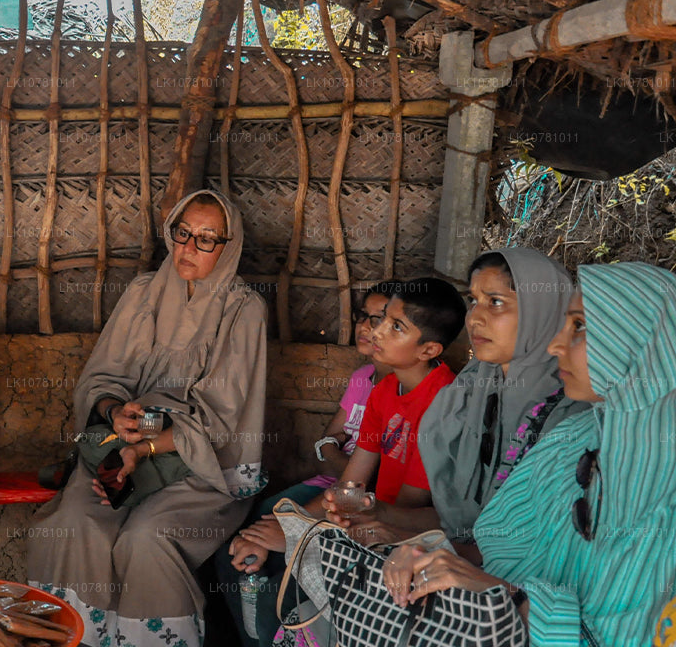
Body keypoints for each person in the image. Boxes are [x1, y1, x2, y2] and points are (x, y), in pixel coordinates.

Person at [383, 262, 676, 647]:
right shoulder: (574, 439)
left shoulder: (662, 486)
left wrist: (507, 595)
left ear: (639, 341)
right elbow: (493, 549)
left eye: (580, 327)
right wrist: (425, 554)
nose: (556, 345)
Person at [27, 189, 268, 647]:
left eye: (206, 239)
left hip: (199, 466)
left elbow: (222, 419)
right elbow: (100, 378)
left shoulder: (243, 310)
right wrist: (115, 413)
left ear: (228, 245)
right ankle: (73, 640)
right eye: (182, 233)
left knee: (147, 537)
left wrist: (146, 443)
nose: (188, 248)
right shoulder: (143, 291)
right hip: (124, 447)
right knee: (75, 523)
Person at [233, 277, 466, 597]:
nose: (378, 330)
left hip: (410, 542)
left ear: (428, 349)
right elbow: (350, 485)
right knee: (254, 556)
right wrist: (296, 524)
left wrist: (302, 535)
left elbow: (407, 508)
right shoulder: (383, 391)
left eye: (396, 326)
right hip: (373, 521)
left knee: (278, 588)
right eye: (384, 319)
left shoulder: (443, 404)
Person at [216, 280, 401, 646]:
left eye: (380, 320)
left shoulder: (400, 391)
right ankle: (252, 632)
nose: (367, 328)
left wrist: (339, 459)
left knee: (272, 532)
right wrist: (340, 459)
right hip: (333, 486)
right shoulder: (362, 379)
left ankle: (276, 631)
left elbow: (364, 476)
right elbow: (327, 441)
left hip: (350, 497)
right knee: (250, 528)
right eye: (364, 317)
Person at [404, 249, 591, 551]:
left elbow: (552, 547)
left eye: (496, 302)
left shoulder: (574, 411)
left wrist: (451, 558)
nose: (475, 318)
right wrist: (379, 516)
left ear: (540, 310)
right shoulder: (472, 388)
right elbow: (460, 528)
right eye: (473, 301)